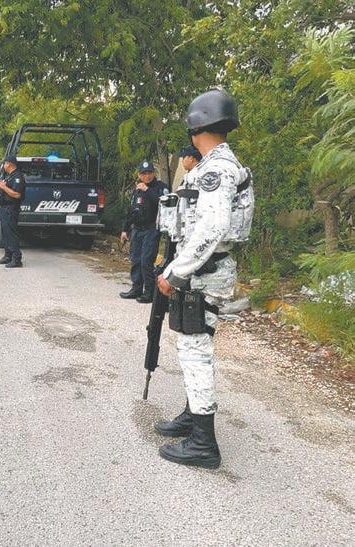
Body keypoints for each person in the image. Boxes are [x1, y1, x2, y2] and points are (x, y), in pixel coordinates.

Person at [155, 89, 248, 469]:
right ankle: (192, 416)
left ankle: (203, 443)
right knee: (193, 346)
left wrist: (176, 272)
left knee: (195, 351)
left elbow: (212, 227)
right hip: (205, 271)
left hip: (203, 273)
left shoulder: (215, 169)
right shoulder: (219, 165)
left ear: (196, 129)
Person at [119, 162, 168, 303]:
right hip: (137, 229)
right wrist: (125, 229)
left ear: (153, 173)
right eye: (144, 173)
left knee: (146, 260)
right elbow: (132, 210)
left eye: (149, 173)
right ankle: (136, 289)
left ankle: (149, 292)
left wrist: (147, 190)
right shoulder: (137, 189)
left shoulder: (160, 187)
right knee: (135, 260)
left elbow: (162, 204)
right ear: (139, 175)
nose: (147, 176)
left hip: (151, 229)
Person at [0, 155, 26, 268]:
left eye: (4, 163)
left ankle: (17, 259)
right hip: (4, 207)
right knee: (5, 233)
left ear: (9, 164)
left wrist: (3, 187)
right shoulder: (9, 176)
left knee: (11, 233)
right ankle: (8, 256)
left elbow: (17, 194)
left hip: (11, 208)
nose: (3, 165)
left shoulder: (18, 177)